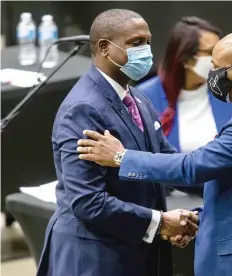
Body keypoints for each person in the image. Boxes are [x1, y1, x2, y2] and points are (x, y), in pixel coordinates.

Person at [77, 31, 232, 275]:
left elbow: (193, 167)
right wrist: (200, 219)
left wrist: (121, 157)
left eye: (215, 66)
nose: (210, 74)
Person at [37, 9, 198, 276]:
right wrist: (159, 223)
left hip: (134, 253)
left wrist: (220, 175)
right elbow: (88, 202)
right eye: (135, 43)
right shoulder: (83, 109)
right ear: (104, 47)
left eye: (147, 42)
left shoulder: (139, 99)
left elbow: (165, 163)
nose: (145, 50)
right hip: (95, 258)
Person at [138, 16, 232, 196]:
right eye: (212, 52)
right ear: (187, 59)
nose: (222, 59)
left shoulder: (230, 91)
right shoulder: (144, 98)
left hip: (229, 195)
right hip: (175, 206)